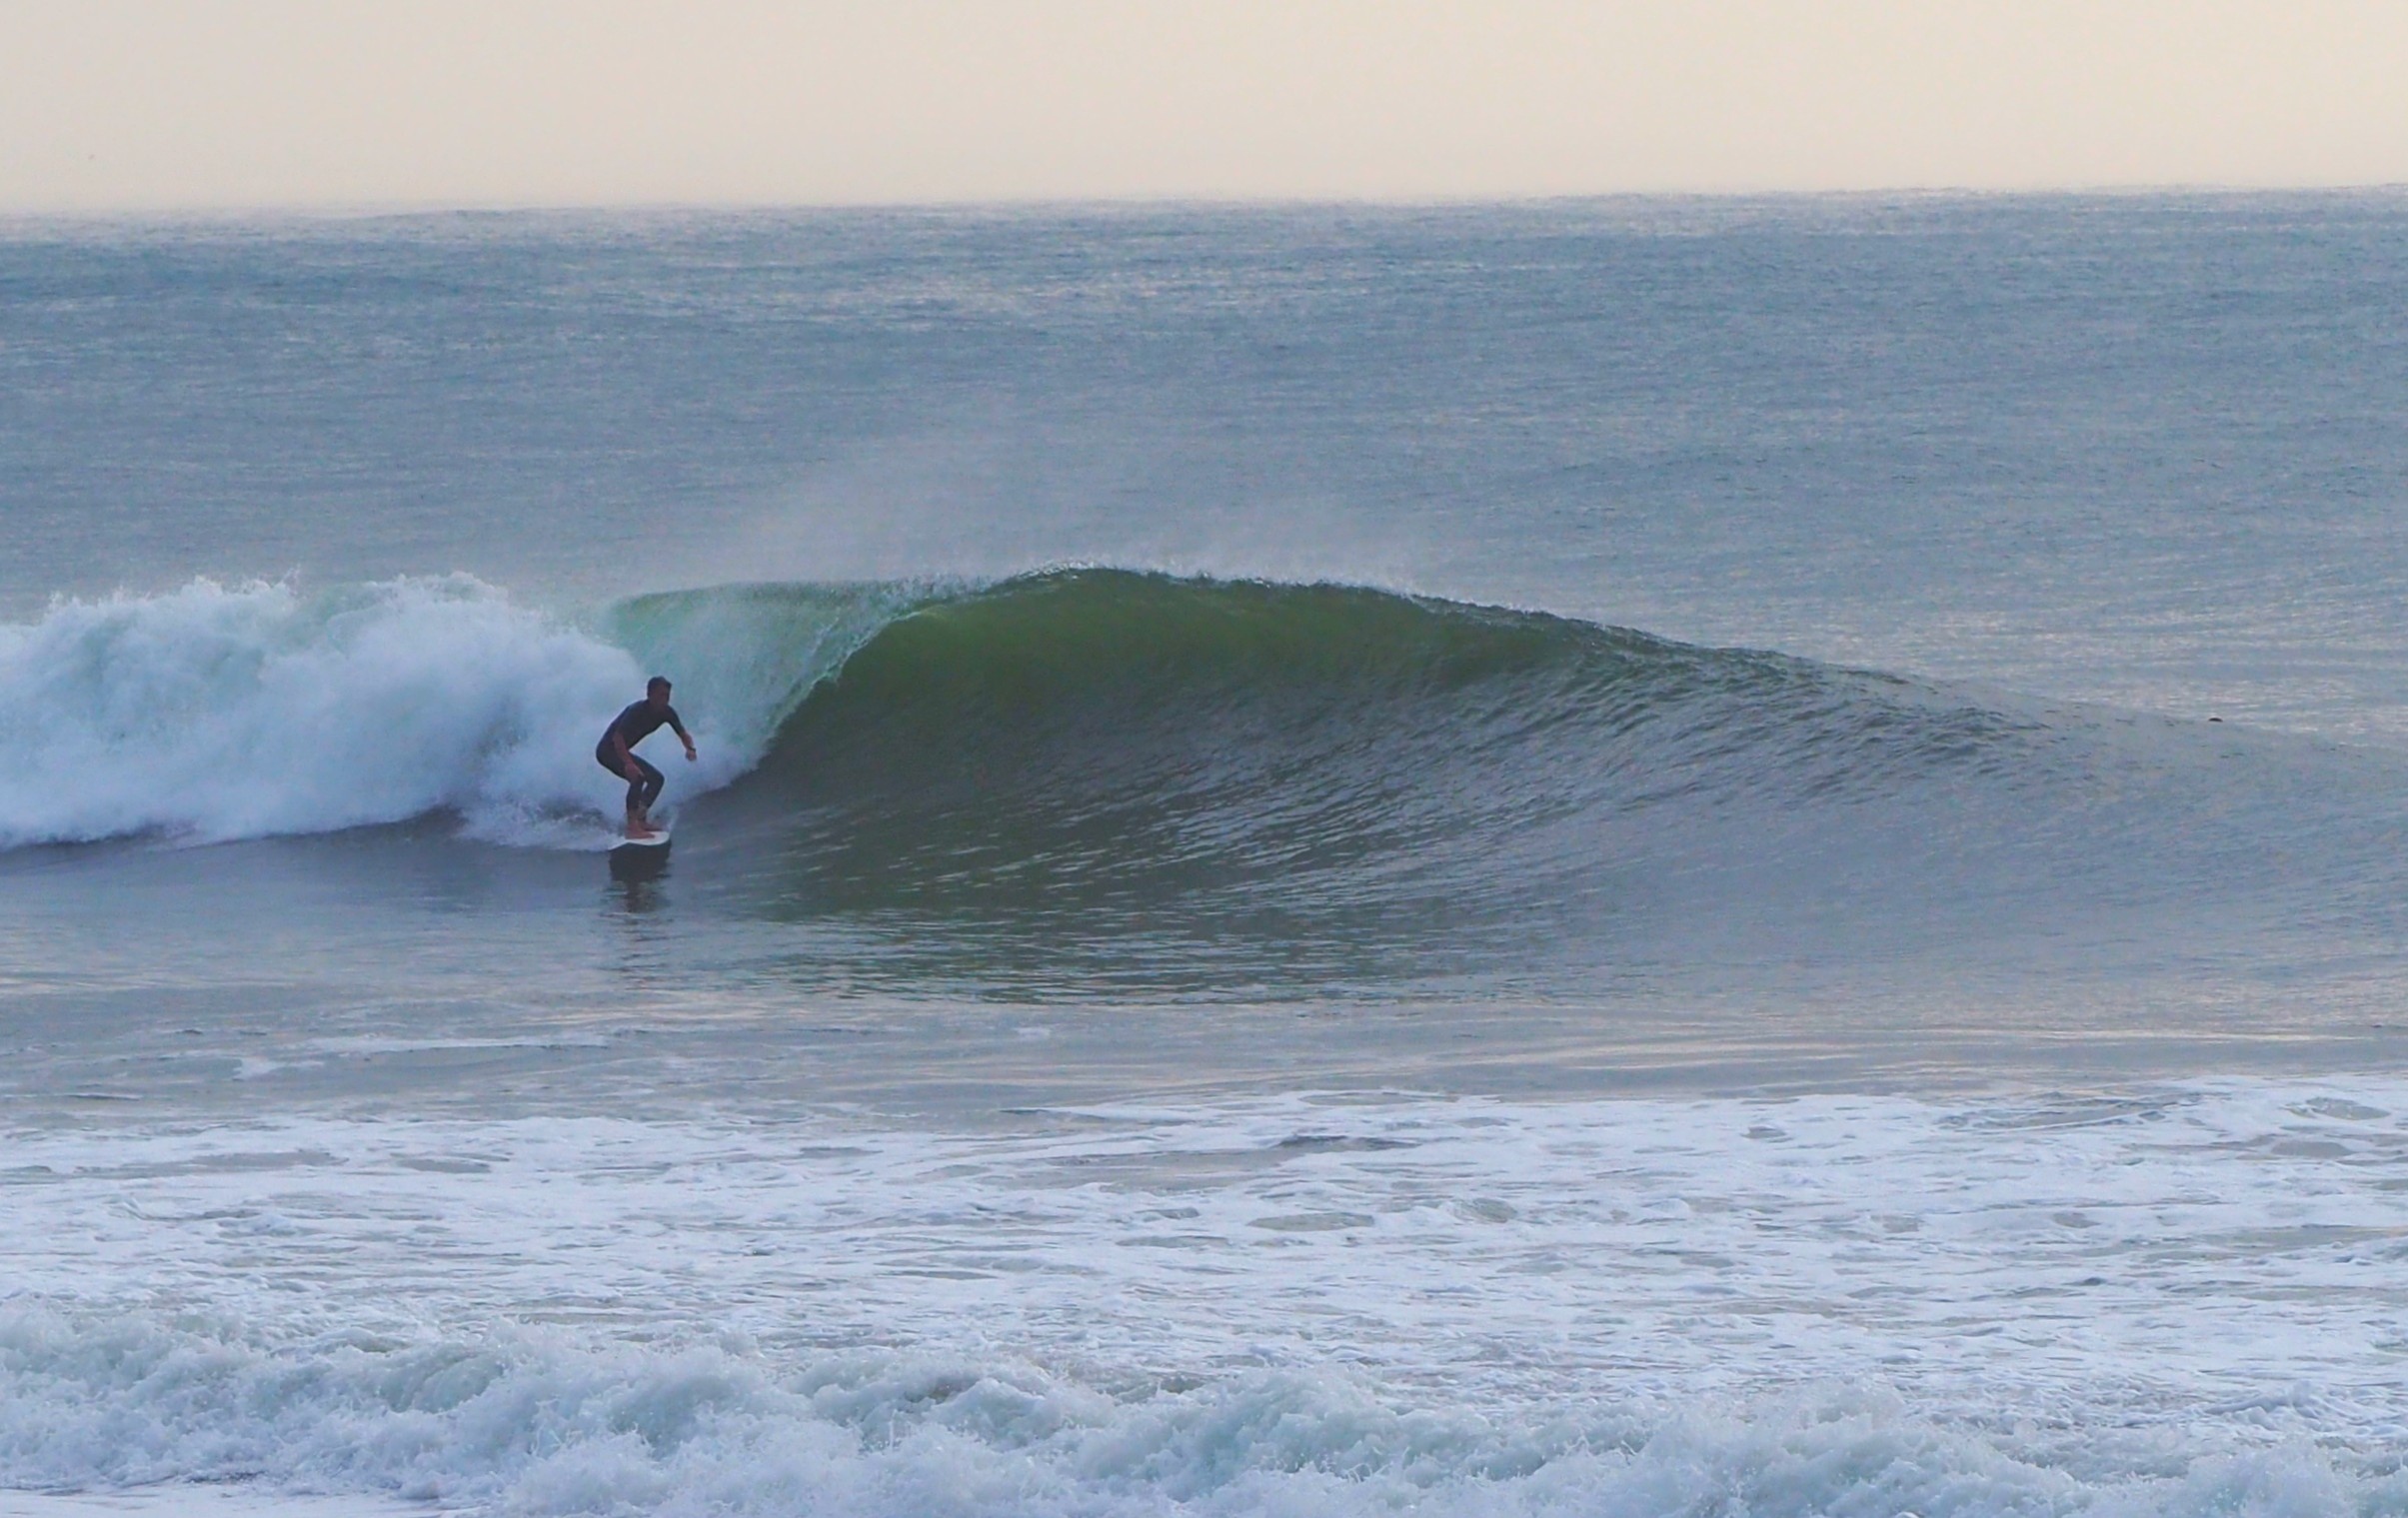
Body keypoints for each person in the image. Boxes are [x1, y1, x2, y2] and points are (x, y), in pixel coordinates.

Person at [596, 677, 696, 838]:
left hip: (621, 751)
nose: (664, 700)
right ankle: (632, 827)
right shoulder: (636, 710)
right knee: (638, 778)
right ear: (649, 694)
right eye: (660, 695)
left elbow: (683, 734)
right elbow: (617, 738)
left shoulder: (667, 713)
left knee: (656, 779)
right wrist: (628, 764)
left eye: (667, 696)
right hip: (607, 751)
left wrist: (690, 748)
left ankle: (640, 819)